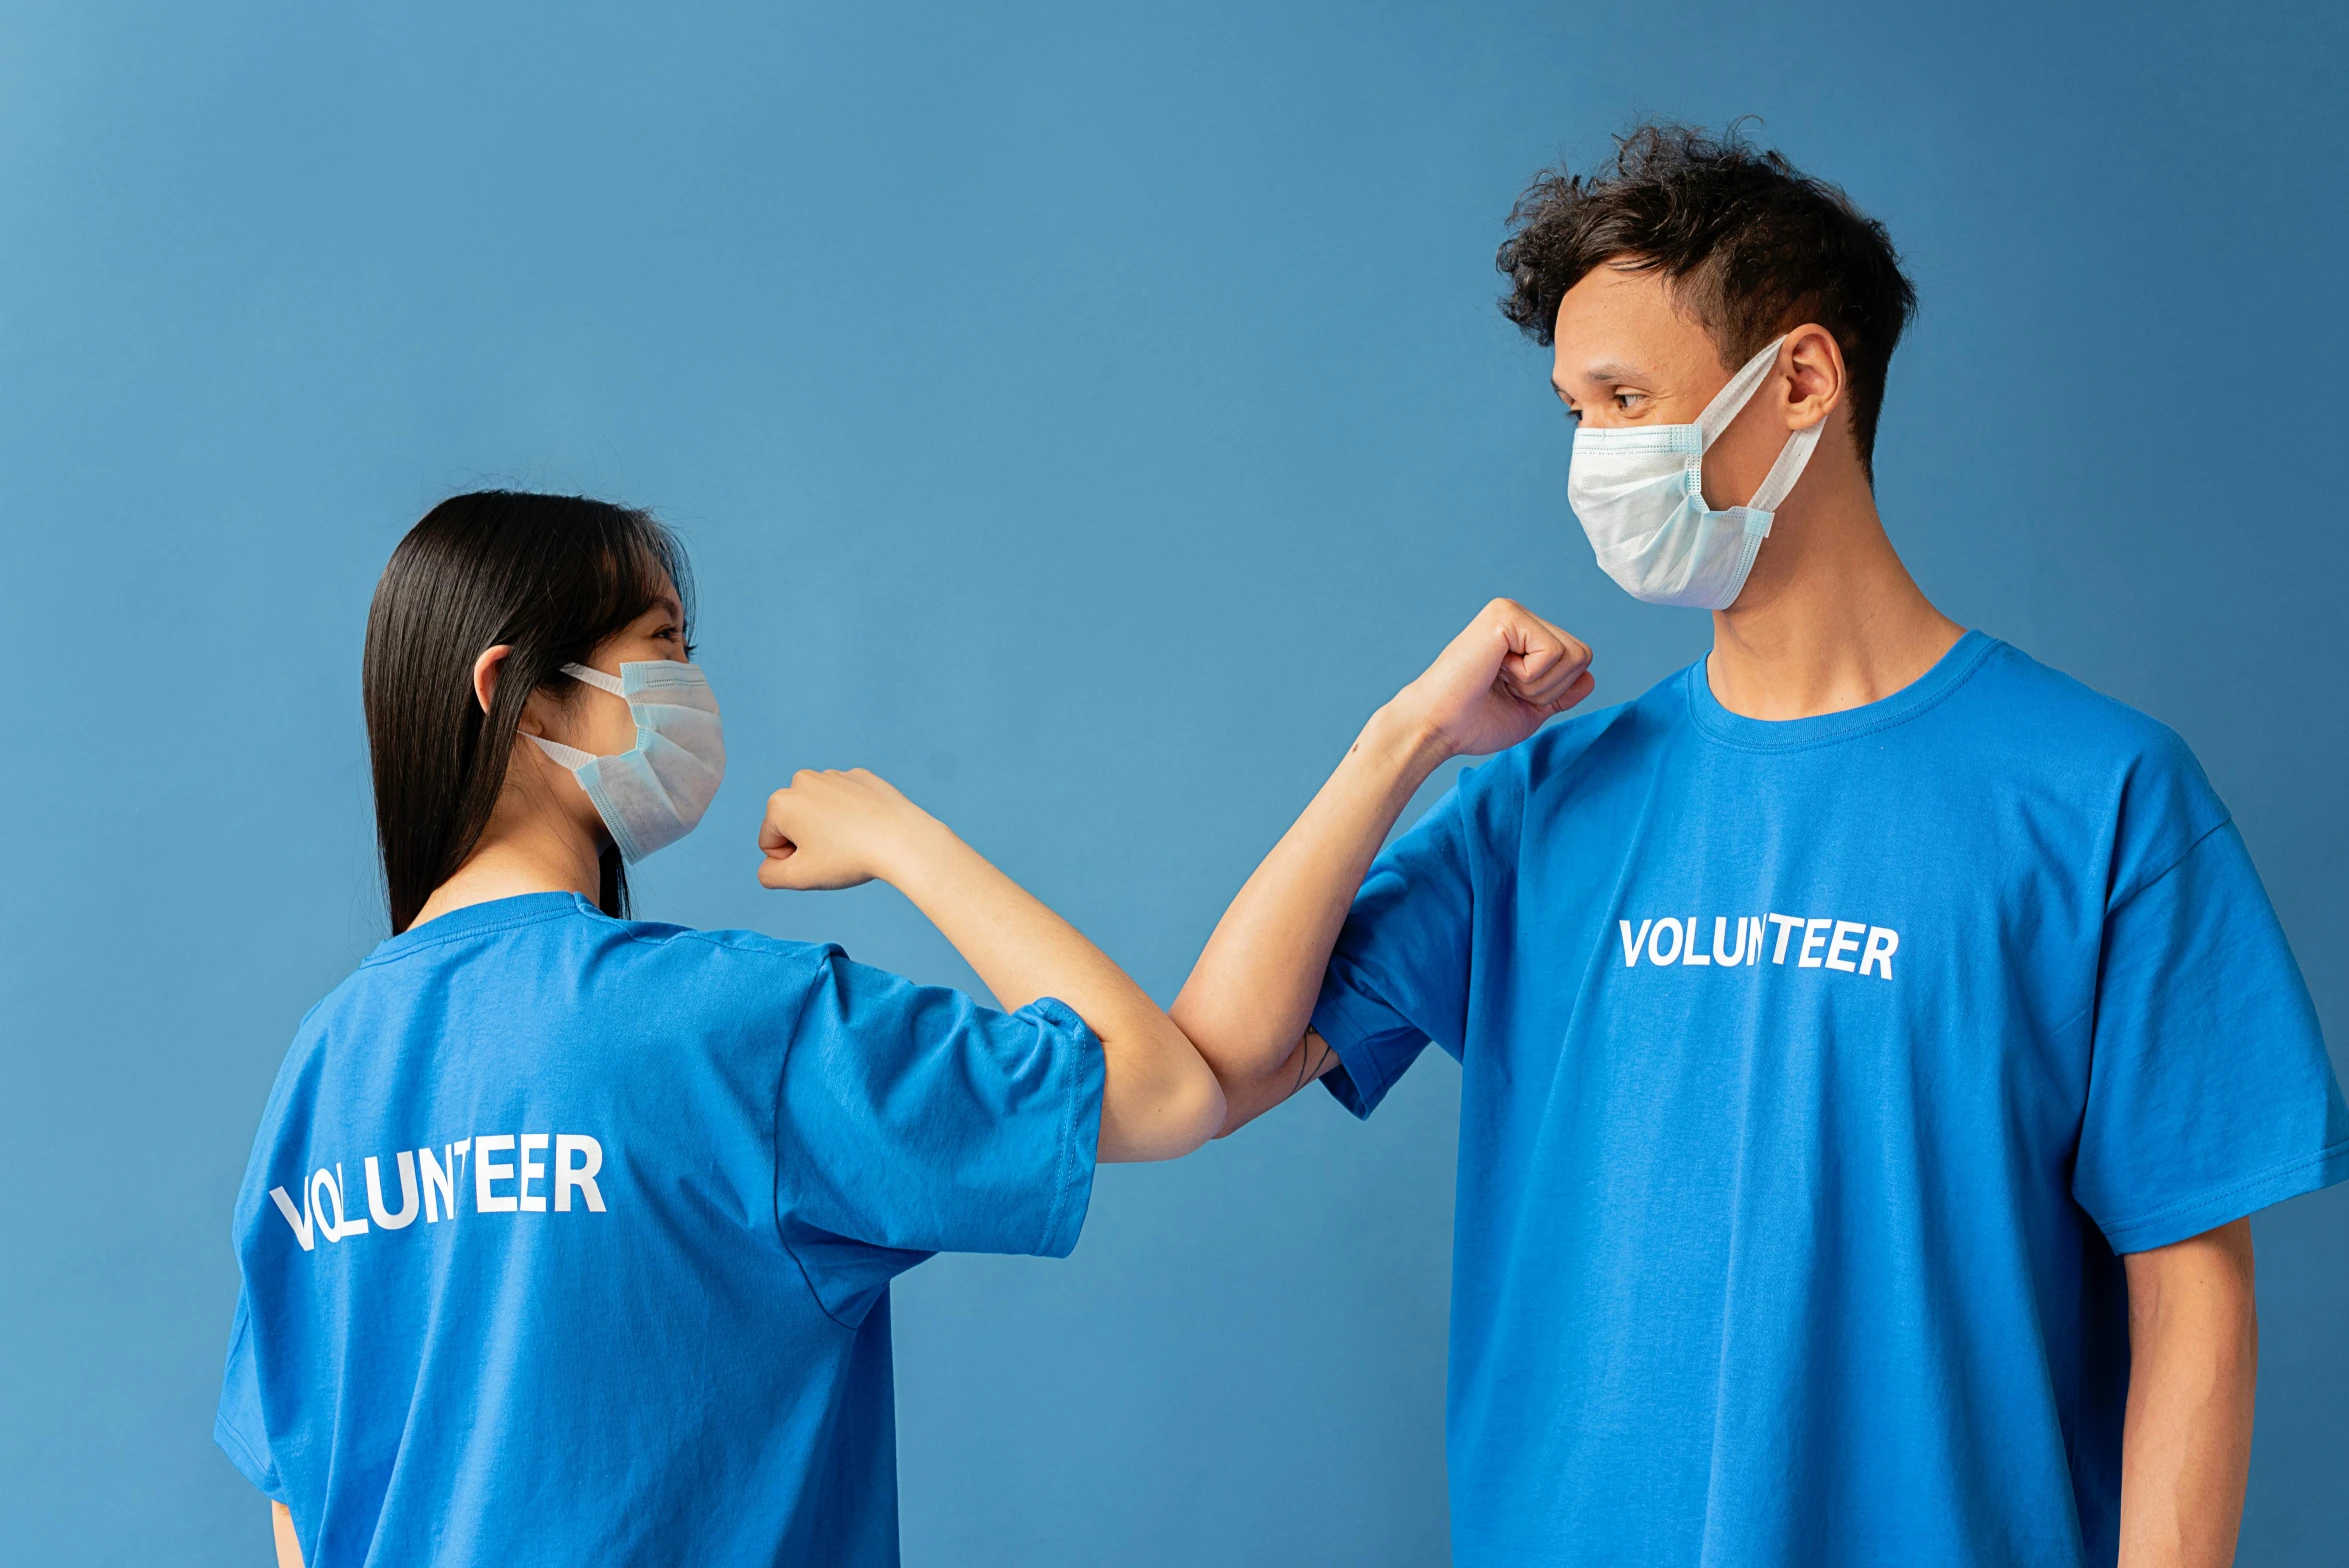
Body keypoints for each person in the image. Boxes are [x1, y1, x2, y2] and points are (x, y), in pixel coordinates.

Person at [1171, 124, 2345, 1568]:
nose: (1597, 456)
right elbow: (1216, 1067)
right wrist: (1397, 742)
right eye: (1573, 413)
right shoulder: (1540, 800)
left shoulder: (2099, 797)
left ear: (1799, 379)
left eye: (1625, 398)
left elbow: (2192, 1283)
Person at [215, 491, 1224, 1567]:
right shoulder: (732, 1025)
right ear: (522, 695)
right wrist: (901, 834)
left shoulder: (319, 1072)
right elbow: (1163, 1086)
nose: (689, 686)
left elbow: (298, 1518)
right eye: (661, 645)